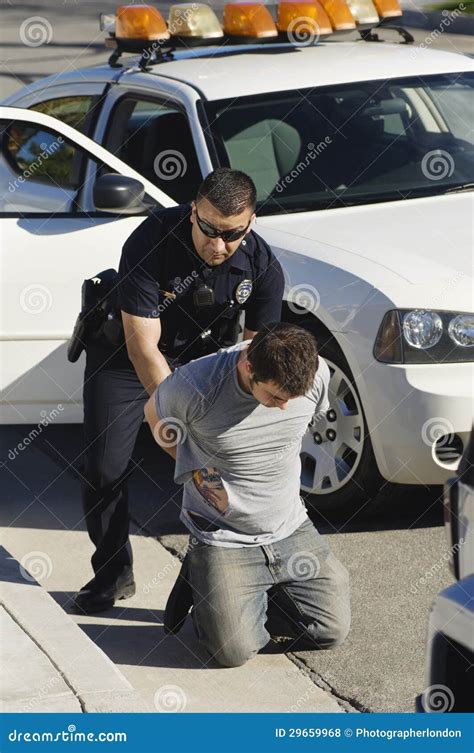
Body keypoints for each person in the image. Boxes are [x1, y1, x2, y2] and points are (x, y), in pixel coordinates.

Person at [74, 168, 285, 614]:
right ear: (193, 211)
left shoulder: (262, 265)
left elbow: (258, 356)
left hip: (206, 361)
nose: (218, 244)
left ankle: (208, 577)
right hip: (127, 359)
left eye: (232, 234)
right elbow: (143, 348)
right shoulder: (150, 241)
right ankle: (112, 574)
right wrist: (180, 430)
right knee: (104, 467)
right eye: (208, 229)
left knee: (225, 472)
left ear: (250, 223)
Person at [144, 323, 351, 667]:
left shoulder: (315, 375)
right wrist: (194, 464)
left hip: (289, 525)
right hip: (223, 532)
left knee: (330, 630)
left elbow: (301, 418)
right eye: (274, 397)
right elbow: (154, 413)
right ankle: (209, 588)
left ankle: (238, 599)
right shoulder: (196, 385)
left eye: (290, 399)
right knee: (233, 652)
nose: (283, 407)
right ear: (247, 366)